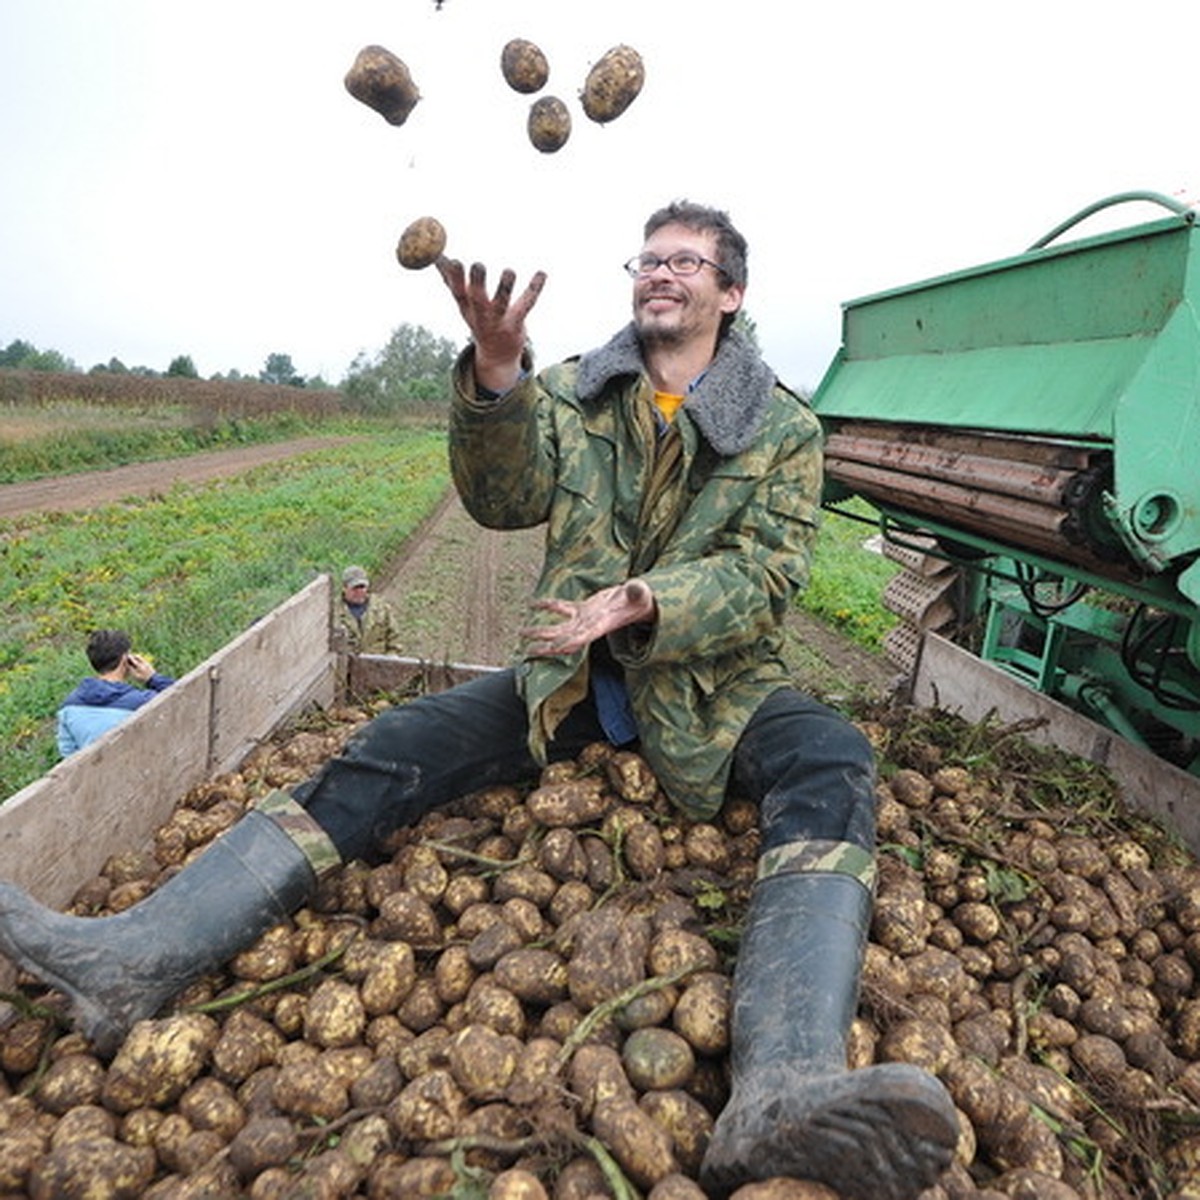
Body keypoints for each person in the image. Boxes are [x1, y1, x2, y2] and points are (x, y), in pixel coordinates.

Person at [0, 202, 956, 1199]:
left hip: (711, 690)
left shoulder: (783, 428)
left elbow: (768, 575)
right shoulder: (578, 393)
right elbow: (502, 499)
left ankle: (784, 1086)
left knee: (832, 757)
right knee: (397, 741)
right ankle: (136, 958)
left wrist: (640, 601)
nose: (660, 274)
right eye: (648, 258)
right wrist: (496, 378)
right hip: (569, 683)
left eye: (686, 261)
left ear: (731, 293)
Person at [55, 629, 175, 757]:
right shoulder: (142, 702)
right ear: (125, 660)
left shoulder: (68, 707)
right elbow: (182, 698)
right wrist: (152, 678)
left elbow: (68, 753)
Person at [334, 564, 403, 654]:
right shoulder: (333, 613)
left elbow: (394, 639)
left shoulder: (381, 608)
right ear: (344, 588)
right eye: (355, 588)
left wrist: (389, 661)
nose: (359, 591)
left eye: (362, 587)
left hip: (379, 664)